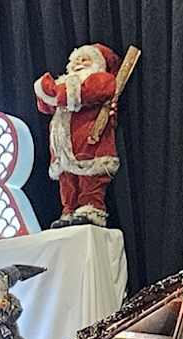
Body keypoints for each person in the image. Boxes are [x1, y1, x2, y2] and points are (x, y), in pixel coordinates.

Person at [35, 44, 123, 226]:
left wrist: (57, 91)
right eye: (76, 60)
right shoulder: (64, 84)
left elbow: (88, 93)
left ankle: (91, 209)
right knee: (67, 182)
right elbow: (46, 105)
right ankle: (69, 210)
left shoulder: (100, 79)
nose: (79, 63)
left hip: (89, 144)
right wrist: (47, 92)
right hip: (63, 148)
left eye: (85, 59)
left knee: (89, 180)